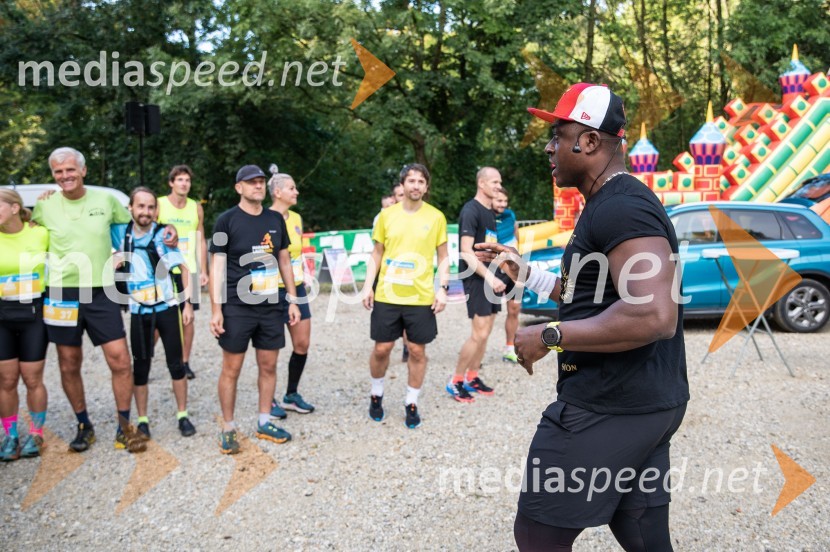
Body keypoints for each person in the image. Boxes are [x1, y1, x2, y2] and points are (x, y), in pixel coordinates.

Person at [476, 83, 688, 552]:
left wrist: (551, 335)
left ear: (589, 141)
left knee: (536, 535)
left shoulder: (622, 206)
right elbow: (587, 296)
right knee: (641, 532)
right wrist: (524, 274)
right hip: (644, 402)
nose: (550, 147)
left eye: (559, 134)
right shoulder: (607, 203)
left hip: (609, 407)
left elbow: (654, 314)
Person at [33, 147, 177, 453]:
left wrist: (168, 230)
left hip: (101, 290)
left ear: (83, 170)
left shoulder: (106, 201)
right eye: (58, 171)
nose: (65, 176)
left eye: (70, 170)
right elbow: (26, 233)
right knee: (69, 363)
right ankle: (84, 425)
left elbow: (138, 226)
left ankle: (125, 426)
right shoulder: (44, 207)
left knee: (120, 360)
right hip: (61, 293)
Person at [209, 164, 300, 455]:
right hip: (237, 307)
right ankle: (228, 426)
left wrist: (293, 300)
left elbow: (284, 261)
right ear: (239, 188)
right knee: (231, 369)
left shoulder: (275, 219)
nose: (257, 186)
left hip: (272, 306)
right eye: (251, 183)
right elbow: (217, 268)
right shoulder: (226, 221)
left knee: (268, 365)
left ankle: (264, 420)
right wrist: (216, 310)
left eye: (261, 182)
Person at [363, 163, 449, 428]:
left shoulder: (436, 217)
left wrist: (442, 289)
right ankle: (376, 394)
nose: (416, 186)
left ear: (426, 187)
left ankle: (411, 401)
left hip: (420, 297)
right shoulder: (387, 216)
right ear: (402, 185)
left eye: (421, 182)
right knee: (382, 348)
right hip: (387, 294)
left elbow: (443, 257)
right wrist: (368, 286)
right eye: (411, 181)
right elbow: (376, 253)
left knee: (416, 350)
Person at [112, 187, 197, 440]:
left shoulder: (163, 234)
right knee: (141, 367)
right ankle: (143, 419)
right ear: (131, 208)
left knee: (176, 365)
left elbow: (183, 269)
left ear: (156, 210)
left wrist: (187, 304)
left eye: (150, 207)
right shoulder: (119, 232)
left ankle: (182, 415)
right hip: (139, 311)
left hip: (167, 308)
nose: (145, 212)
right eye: (141, 207)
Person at [446, 167, 504, 402]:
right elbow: (466, 252)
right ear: (481, 183)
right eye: (494, 182)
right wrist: (489, 277)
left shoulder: (490, 211)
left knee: (487, 331)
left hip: (492, 278)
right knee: (478, 333)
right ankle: (456, 381)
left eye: (500, 182)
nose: (498, 186)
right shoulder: (471, 210)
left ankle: (472, 376)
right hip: (476, 278)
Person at [0, 189, 49, 460]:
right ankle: (10, 436)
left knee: (32, 378)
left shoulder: (39, 233)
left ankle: (35, 433)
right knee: (6, 380)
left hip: (32, 314)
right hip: (2, 316)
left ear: (15, 207)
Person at [267, 165, 316, 417]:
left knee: (302, 343)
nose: (296, 191)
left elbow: (296, 253)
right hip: (270, 290)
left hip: (295, 287)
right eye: (292, 188)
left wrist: (305, 275)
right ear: (277, 192)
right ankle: (269, 399)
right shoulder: (262, 218)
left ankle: (291, 394)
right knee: (271, 348)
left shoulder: (295, 218)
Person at [156, 165, 209, 380]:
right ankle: (144, 361)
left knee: (188, 318)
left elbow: (200, 239)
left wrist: (204, 269)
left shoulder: (195, 207)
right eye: (179, 180)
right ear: (171, 183)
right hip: (163, 270)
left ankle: (184, 362)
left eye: (187, 180)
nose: (184, 183)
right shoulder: (159, 204)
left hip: (189, 270)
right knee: (157, 319)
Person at [492, 187, 522, 363]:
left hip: (513, 267)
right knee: (489, 315)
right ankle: (478, 351)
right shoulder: (486, 216)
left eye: (505, 201)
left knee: (514, 310)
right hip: (495, 269)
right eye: (498, 201)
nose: (502, 204)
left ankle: (509, 348)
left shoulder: (510, 215)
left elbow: (516, 236)